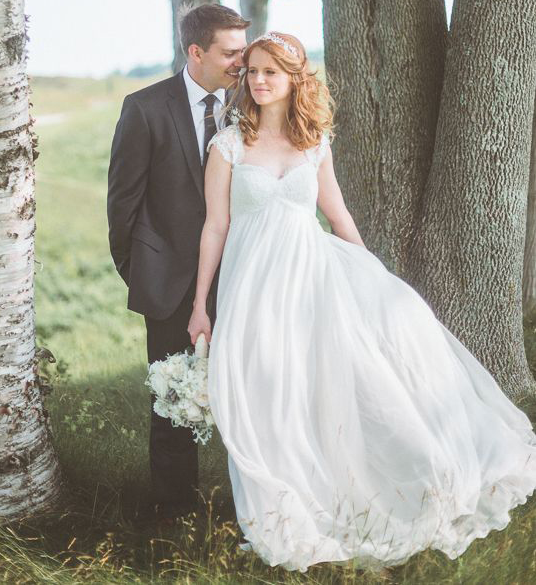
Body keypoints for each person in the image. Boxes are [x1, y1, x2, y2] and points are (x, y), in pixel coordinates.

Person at [187, 30, 536, 572]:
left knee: (325, 387)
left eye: (269, 72)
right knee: (267, 392)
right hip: (253, 286)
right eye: (251, 71)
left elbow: (338, 213)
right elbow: (215, 226)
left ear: (293, 80)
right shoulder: (228, 145)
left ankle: (343, 497)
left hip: (313, 280)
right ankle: (281, 513)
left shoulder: (315, 141)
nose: (256, 81)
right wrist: (200, 305)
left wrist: (373, 272)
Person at [107, 2, 250, 521]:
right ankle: (173, 511)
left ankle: (250, 503)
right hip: (166, 279)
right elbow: (122, 201)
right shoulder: (144, 107)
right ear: (196, 52)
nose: (242, 62)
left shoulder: (252, 104)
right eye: (231, 53)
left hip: (241, 274)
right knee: (171, 397)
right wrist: (139, 267)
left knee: (248, 388)